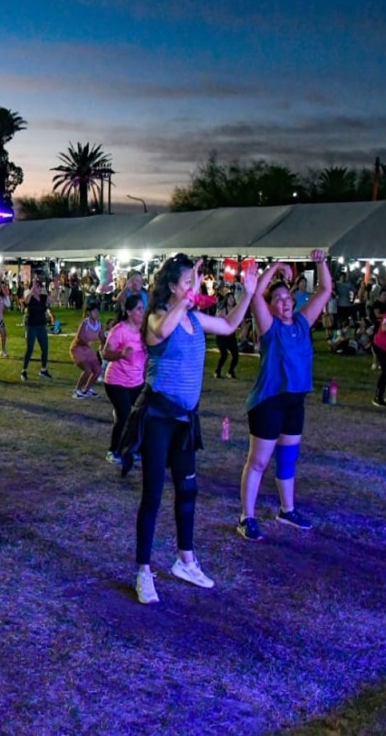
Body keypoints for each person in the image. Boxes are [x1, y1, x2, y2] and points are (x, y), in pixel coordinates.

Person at [127, 254, 259, 605]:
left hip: (185, 420)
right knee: (152, 495)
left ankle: (185, 560)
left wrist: (248, 293)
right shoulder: (157, 318)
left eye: (195, 282)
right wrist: (184, 301)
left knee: (189, 491)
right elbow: (162, 331)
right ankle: (143, 571)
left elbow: (230, 326)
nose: (194, 287)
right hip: (158, 418)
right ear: (172, 286)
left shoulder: (196, 320)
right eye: (188, 282)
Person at [236, 251, 331, 541]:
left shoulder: (303, 323)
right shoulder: (269, 327)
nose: (285, 302)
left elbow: (325, 289)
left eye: (287, 298)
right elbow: (255, 296)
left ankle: (286, 510)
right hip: (269, 403)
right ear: (272, 306)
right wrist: (275, 265)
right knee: (258, 462)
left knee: (287, 459)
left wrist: (320, 262)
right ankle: (246, 517)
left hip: (294, 401)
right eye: (277, 299)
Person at [102, 295, 147, 467]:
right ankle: (113, 451)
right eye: (139, 309)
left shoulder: (145, 330)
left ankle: (131, 449)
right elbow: (105, 353)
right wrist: (121, 354)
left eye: (143, 308)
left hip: (136, 381)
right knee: (125, 416)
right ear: (129, 312)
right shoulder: (119, 330)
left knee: (140, 416)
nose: (142, 312)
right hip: (116, 381)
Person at [21, 277, 55, 381]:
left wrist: (56, 288)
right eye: (37, 286)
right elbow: (26, 301)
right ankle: (24, 370)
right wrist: (32, 290)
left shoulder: (43, 297)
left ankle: (43, 370)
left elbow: (53, 299)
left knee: (45, 348)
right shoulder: (29, 296)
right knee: (30, 348)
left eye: (40, 287)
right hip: (31, 326)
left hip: (41, 325)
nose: (39, 289)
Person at [69, 301, 103, 399]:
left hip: (87, 349)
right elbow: (79, 338)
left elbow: (102, 338)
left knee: (98, 370)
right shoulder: (85, 323)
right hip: (77, 348)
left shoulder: (99, 324)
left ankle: (87, 389)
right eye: (95, 311)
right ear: (89, 313)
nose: (97, 313)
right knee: (87, 370)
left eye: (98, 311)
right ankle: (77, 390)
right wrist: (87, 344)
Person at [213, 290, 241, 379]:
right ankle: (217, 371)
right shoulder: (222, 311)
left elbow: (241, 322)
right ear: (226, 300)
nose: (231, 300)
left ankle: (230, 371)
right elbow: (216, 321)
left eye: (232, 298)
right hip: (222, 336)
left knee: (235, 355)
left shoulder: (236, 310)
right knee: (224, 354)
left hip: (231, 336)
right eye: (229, 298)